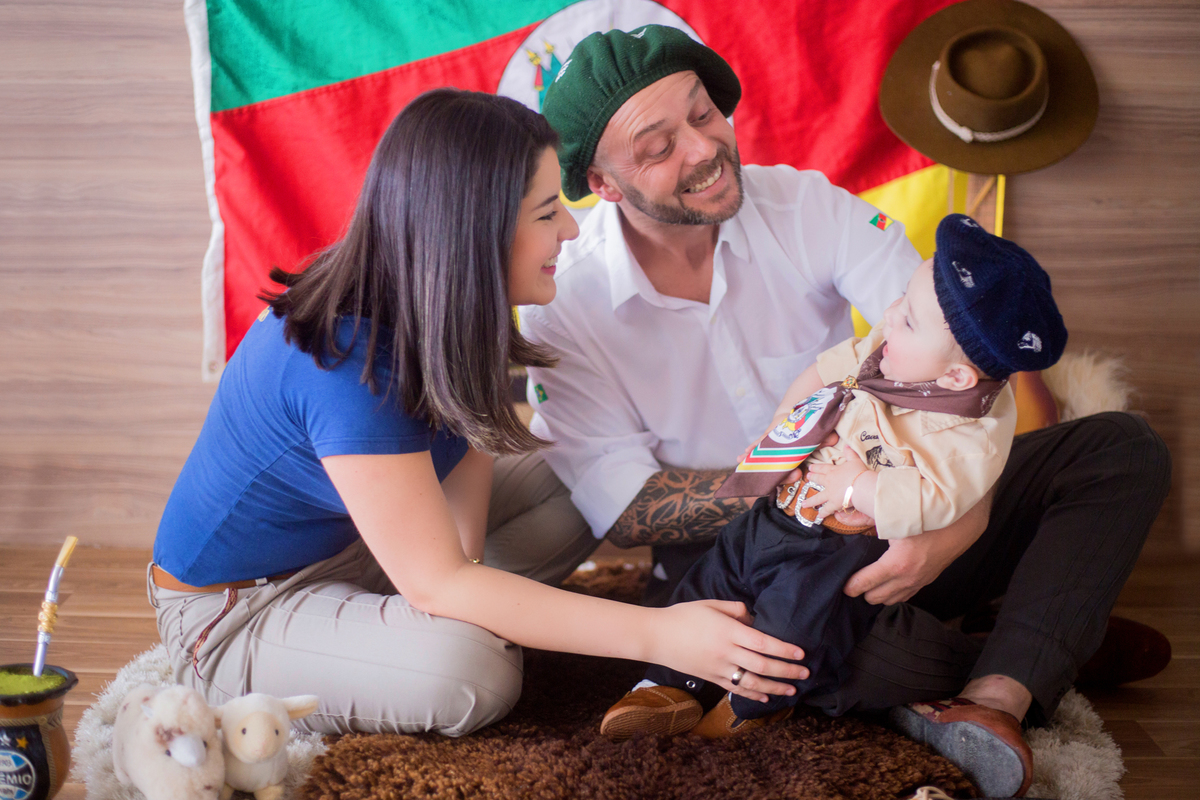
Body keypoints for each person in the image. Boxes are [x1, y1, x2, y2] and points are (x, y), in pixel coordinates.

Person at [520, 25, 1171, 797]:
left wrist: (954, 516)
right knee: (820, 666)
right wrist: (810, 496)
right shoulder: (566, 305)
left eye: (703, 114)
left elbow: (965, 359)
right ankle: (1036, 646)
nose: (701, 148)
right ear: (604, 183)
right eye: (657, 146)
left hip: (919, 502)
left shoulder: (808, 207)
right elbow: (629, 509)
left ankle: (997, 696)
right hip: (750, 574)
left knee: (1120, 449)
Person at [148, 88, 811, 738]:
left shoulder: (447, 302)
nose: (571, 230)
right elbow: (440, 581)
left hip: (364, 545)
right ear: (476, 229)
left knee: (577, 470)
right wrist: (659, 634)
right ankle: (354, 650)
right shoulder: (346, 365)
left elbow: (459, 532)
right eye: (549, 212)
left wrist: (457, 589)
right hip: (237, 611)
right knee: (474, 673)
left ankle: (394, 634)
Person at [601, 214, 1066, 744]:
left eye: (909, 319)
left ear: (957, 377)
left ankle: (750, 706)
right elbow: (825, 369)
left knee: (791, 623)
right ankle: (663, 684)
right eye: (900, 301)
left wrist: (853, 487)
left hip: (835, 547)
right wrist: (783, 427)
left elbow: (933, 500)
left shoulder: (965, 432)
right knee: (715, 575)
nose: (889, 316)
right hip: (780, 510)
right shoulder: (886, 353)